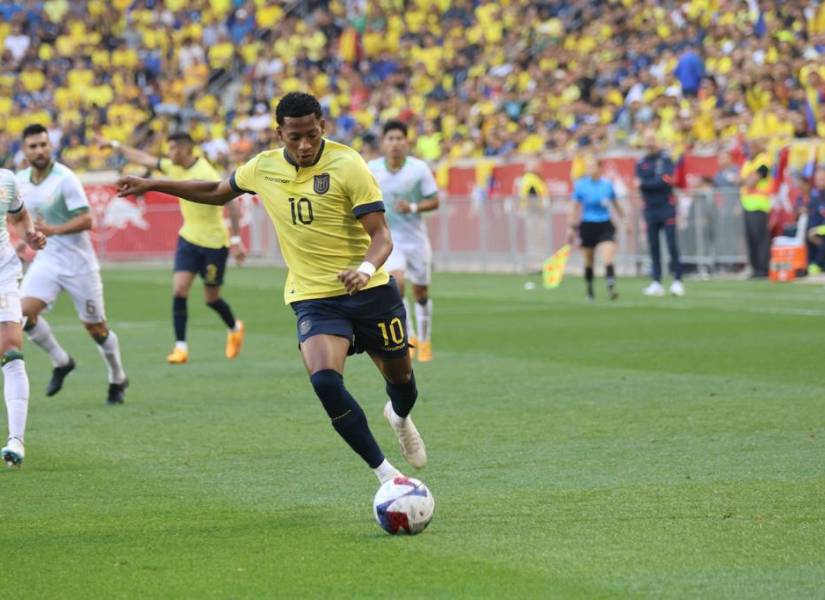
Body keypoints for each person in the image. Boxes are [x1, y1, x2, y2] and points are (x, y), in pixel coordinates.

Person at [116, 92, 426, 485]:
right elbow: (215, 192)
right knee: (325, 381)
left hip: (371, 291)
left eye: (312, 135)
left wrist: (365, 269)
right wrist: (152, 183)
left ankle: (398, 417)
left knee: (402, 384)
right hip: (314, 296)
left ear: (323, 128)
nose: (304, 145)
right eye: (294, 137)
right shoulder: (262, 167)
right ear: (279, 132)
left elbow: (382, 234)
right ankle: (387, 476)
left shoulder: (349, 165)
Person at [99, 132, 247, 364]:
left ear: (187, 150)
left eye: (173, 149)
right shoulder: (173, 166)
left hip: (214, 243)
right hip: (188, 238)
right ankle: (181, 348)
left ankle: (234, 327)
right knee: (179, 290)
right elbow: (144, 159)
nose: (169, 154)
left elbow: (232, 203)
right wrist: (115, 144)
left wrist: (237, 241)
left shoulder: (205, 173)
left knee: (211, 298)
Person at [16, 124, 129, 404]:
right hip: (48, 260)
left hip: (79, 264)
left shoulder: (64, 178)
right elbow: (22, 218)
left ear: (50, 146)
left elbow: (87, 219)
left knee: (97, 330)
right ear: (25, 150)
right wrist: (25, 240)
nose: (40, 150)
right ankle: (62, 361)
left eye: (43, 144)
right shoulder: (20, 180)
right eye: (33, 146)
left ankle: (117, 377)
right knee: (21, 315)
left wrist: (52, 230)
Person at [367, 120, 439, 362]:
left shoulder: (419, 169)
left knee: (420, 291)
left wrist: (413, 206)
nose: (395, 144)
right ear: (383, 143)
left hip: (416, 240)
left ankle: (425, 340)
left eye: (400, 139)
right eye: (391, 139)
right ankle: (409, 338)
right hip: (390, 238)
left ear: (407, 142)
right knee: (396, 285)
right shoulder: (372, 168)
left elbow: (435, 200)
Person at [0, 169, 46, 467]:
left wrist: (29, 233)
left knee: (12, 352)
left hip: (2, 274)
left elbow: (19, 215)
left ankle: (16, 440)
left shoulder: (6, 180)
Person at [569, 157, 626, 301]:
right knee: (589, 259)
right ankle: (590, 289)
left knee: (608, 257)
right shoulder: (581, 185)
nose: (589, 169)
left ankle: (611, 286)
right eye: (587, 167)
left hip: (605, 224)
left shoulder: (607, 185)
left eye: (592, 166)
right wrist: (570, 227)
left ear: (600, 168)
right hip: (588, 225)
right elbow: (574, 206)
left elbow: (616, 204)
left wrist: (625, 220)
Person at [636, 130, 685, 296]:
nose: (650, 143)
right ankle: (656, 281)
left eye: (652, 140)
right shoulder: (641, 162)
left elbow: (664, 181)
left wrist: (646, 183)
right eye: (647, 140)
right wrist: (650, 182)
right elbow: (639, 182)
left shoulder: (665, 159)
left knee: (671, 244)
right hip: (650, 209)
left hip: (666, 207)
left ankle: (678, 280)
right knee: (653, 246)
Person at [739, 150, 774, 278]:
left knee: (760, 239)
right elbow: (740, 180)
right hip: (747, 205)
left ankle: (763, 269)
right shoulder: (748, 162)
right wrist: (746, 180)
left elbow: (750, 181)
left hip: (759, 206)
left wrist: (746, 180)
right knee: (751, 239)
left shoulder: (763, 159)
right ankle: (754, 269)